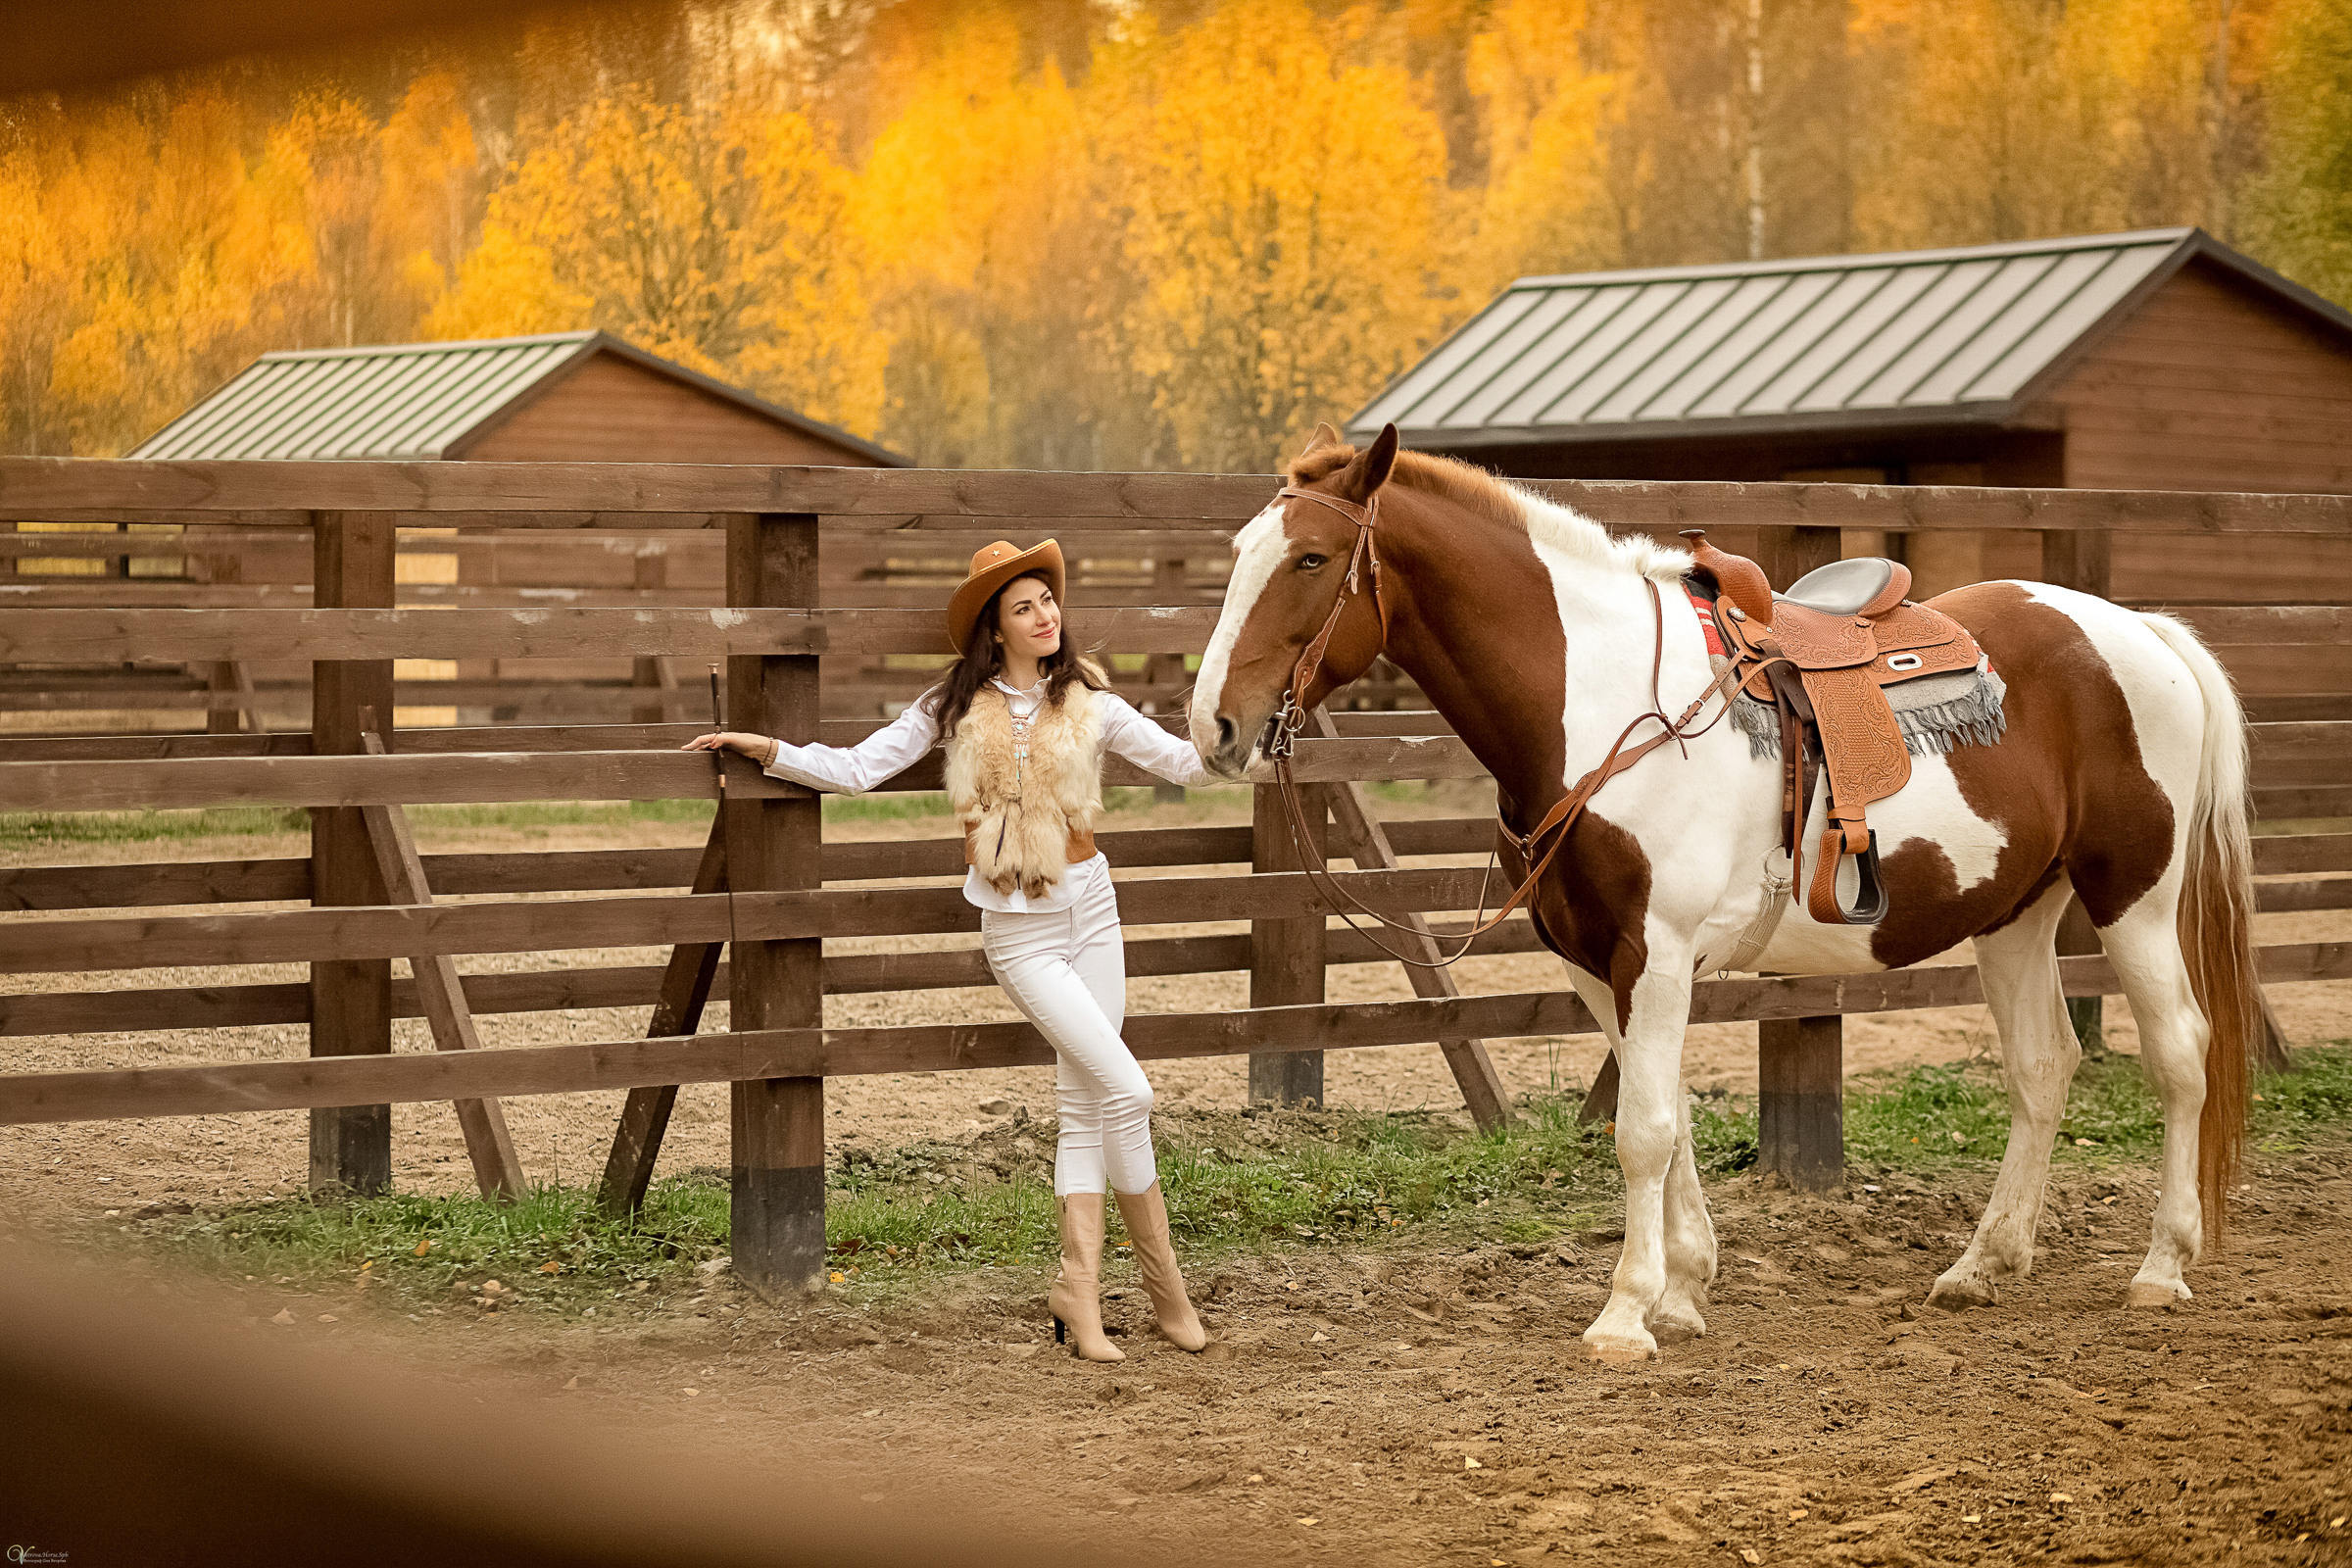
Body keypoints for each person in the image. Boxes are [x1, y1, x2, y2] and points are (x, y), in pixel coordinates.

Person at [685, 539, 1214, 1362]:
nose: (1046, 616)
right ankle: (1139, 1289)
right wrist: (773, 752)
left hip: (1096, 913)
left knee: (1090, 1108)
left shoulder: (1091, 703)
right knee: (1130, 1091)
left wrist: (1245, 734)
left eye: (1048, 601)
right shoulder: (953, 707)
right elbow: (862, 767)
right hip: (1022, 934)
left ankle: (1111, 1298)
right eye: (1025, 607)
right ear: (995, 629)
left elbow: (1188, 762)